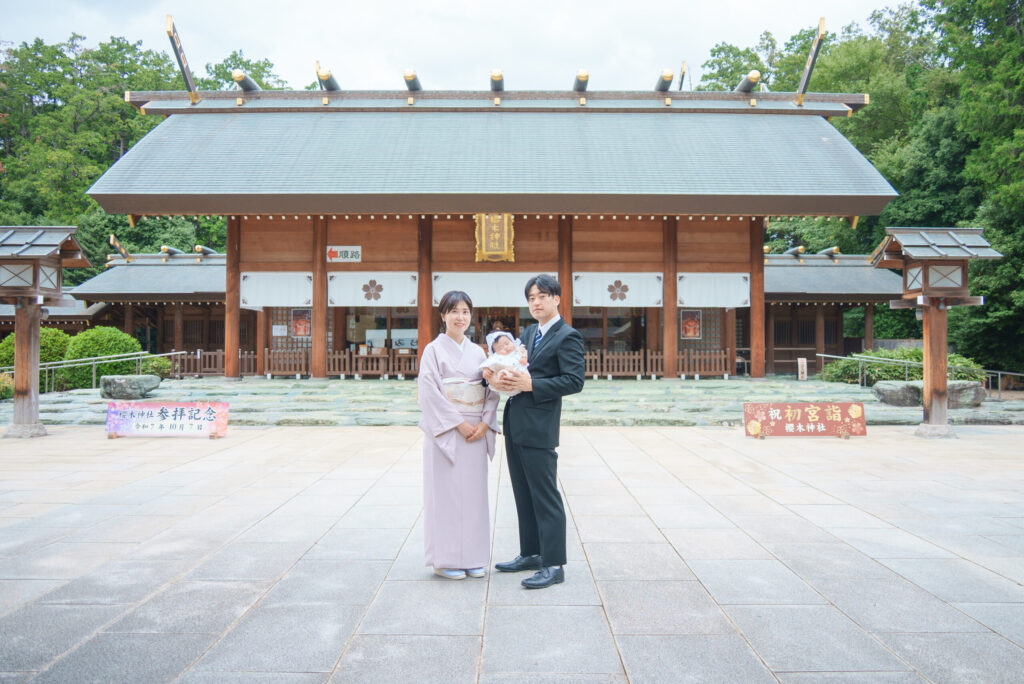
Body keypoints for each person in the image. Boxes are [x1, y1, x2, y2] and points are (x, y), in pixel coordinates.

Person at [486, 274, 585, 589]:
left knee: (545, 495)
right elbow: (514, 365)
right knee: (523, 492)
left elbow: (574, 380)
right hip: (516, 420)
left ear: (556, 298)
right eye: (531, 298)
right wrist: (498, 377)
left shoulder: (567, 336)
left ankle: (554, 564)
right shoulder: (528, 333)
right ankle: (531, 553)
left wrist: (533, 385)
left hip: (540, 425)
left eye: (542, 296)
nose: (536, 302)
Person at [417, 290, 500, 580]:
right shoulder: (433, 350)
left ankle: (474, 557)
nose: (460, 317)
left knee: (474, 495)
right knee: (446, 494)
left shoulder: (478, 352)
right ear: (443, 316)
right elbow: (428, 391)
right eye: (454, 311)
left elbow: (491, 389)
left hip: (475, 431)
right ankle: (445, 559)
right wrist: (457, 423)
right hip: (447, 430)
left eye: (465, 312)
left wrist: (485, 423)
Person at [479, 330, 529, 396]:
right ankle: (504, 376)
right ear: (495, 352)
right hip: (504, 383)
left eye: (507, 343)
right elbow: (488, 364)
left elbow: (524, 352)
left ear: (512, 341)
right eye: (500, 348)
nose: (505, 347)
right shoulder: (497, 358)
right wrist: (486, 370)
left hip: (522, 380)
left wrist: (524, 357)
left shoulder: (518, 350)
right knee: (503, 372)